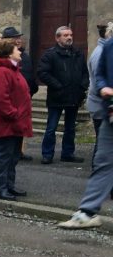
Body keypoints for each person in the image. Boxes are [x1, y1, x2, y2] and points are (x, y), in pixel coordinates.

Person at [59, 22, 113, 229]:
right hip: (111, 112)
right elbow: (98, 75)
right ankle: (87, 212)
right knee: (103, 161)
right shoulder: (108, 47)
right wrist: (103, 88)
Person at [0, 39, 33, 201]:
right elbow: (0, 99)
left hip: (16, 122)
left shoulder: (13, 70)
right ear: (8, 53)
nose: (20, 51)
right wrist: (13, 114)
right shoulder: (1, 71)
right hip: (6, 122)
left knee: (13, 156)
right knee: (4, 156)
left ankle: (9, 185)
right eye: (16, 49)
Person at [37, 25, 89, 164]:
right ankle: (47, 154)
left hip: (74, 96)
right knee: (51, 127)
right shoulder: (50, 54)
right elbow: (43, 73)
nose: (69, 37)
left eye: (70, 35)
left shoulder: (77, 53)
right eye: (65, 35)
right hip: (57, 96)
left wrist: (82, 86)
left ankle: (68, 153)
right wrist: (58, 86)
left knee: (70, 127)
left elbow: (85, 72)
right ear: (57, 38)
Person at [2, 26, 37, 160]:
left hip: (26, 94)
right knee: (13, 126)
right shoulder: (6, 57)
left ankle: (19, 152)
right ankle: (13, 152)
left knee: (21, 125)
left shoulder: (23, 54)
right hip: (14, 96)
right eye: (15, 38)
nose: (18, 40)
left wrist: (33, 88)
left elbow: (29, 73)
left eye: (18, 37)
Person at [85, 22, 113, 166]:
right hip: (100, 105)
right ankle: (98, 169)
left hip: (102, 105)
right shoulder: (101, 52)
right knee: (102, 144)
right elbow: (98, 82)